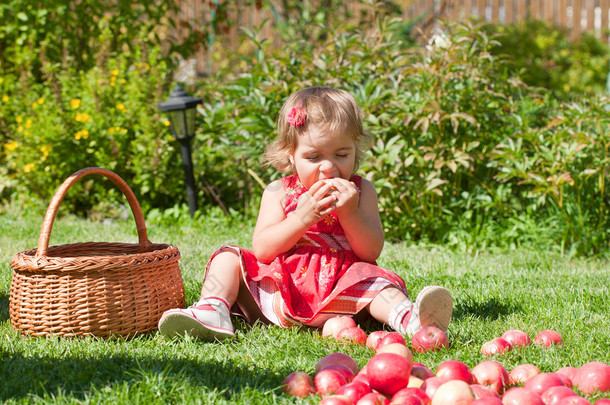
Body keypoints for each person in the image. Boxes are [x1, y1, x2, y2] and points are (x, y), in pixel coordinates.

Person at [158, 86, 453, 341]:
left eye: (342, 155)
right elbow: (262, 249)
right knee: (227, 257)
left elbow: (370, 251)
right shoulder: (279, 191)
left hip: (342, 290)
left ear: (356, 149)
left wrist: (350, 214)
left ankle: (411, 320)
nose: (328, 167)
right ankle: (212, 309)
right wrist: (301, 219)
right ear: (290, 154)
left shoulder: (362, 192)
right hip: (281, 291)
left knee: (375, 280)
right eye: (313, 157)